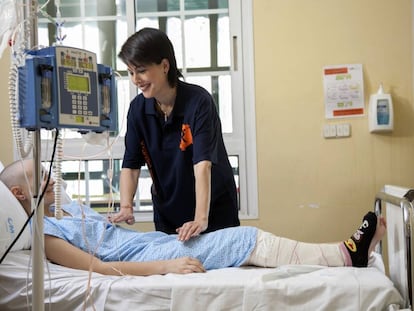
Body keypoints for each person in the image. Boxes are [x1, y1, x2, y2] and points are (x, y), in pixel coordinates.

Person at [0, 159, 386, 276]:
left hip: (158, 241)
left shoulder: (68, 210)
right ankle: (345, 254)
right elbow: (97, 268)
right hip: (152, 256)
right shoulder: (45, 233)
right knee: (241, 239)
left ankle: (347, 253)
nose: (55, 181)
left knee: (240, 239)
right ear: (19, 194)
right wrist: (167, 265)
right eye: (43, 178)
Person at [110, 27, 240, 241]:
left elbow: (203, 164)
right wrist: (126, 206)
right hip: (168, 210)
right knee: (174, 271)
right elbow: (131, 164)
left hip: (213, 210)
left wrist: (200, 219)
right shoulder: (137, 109)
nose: (135, 80)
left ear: (164, 66)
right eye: (131, 72)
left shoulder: (198, 102)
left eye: (141, 71)